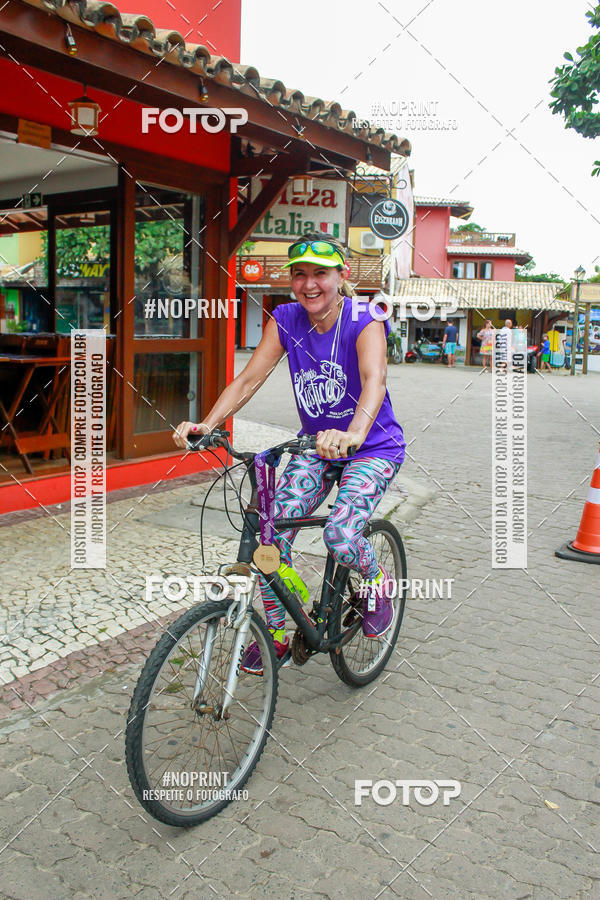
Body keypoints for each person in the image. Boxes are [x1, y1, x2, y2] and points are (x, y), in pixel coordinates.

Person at [173, 233, 405, 674]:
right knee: (270, 539)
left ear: (342, 275)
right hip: (315, 445)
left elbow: (374, 380)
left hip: (372, 446)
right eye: (299, 274)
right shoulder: (286, 320)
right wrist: (208, 424)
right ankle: (278, 633)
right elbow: (247, 380)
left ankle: (377, 581)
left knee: (341, 535)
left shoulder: (364, 317)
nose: (309, 284)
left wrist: (354, 433)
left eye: (321, 273)